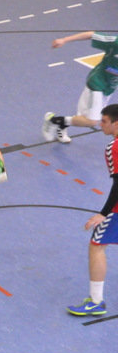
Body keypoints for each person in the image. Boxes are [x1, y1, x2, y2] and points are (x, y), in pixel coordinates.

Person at [67, 104, 118, 316]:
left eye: (105, 121)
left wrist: (103, 214)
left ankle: (96, 302)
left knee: (96, 246)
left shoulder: (114, 147)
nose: (100, 125)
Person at [43, 32, 118, 144]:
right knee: (92, 121)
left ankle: (61, 123)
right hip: (97, 83)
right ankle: (53, 121)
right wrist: (64, 40)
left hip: (110, 87)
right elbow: (91, 35)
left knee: (88, 118)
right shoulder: (115, 43)